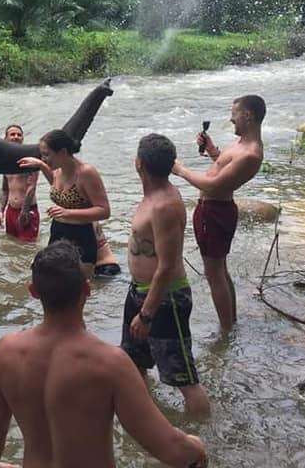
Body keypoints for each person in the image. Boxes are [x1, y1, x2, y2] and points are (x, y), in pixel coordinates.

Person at [0, 241, 208, 468]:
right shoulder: (109, 363)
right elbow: (168, 449)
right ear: (87, 290)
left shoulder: (6, 352)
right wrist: (195, 447)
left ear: (33, 292)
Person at [123, 134, 210, 417]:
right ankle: (147, 421)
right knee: (134, 362)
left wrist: (147, 314)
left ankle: (201, 436)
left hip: (164, 301)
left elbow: (167, 266)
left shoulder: (164, 205)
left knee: (184, 379)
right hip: (140, 292)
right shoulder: (152, 195)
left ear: (139, 164)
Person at [171, 95, 266, 333]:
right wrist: (213, 150)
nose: (231, 119)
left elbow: (212, 186)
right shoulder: (242, 143)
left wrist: (181, 170)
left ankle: (225, 332)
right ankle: (230, 322)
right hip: (214, 212)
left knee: (214, 274)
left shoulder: (251, 153)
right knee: (220, 270)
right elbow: (223, 166)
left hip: (215, 213)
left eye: (234, 113)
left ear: (248, 115)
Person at [17, 130, 110, 277]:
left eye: (47, 154)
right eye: (42, 155)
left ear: (63, 152)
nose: (44, 158)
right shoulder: (59, 171)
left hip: (81, 237)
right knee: (51, 281)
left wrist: (68, 213)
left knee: (77, 287)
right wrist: (41, 165)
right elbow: (59, 191)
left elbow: (104, 211)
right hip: (57, 234)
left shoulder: (86, 173)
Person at [0, 125, 41, 241]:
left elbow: (32, 186)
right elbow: (5, 189)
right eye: (12, 134)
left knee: (27, 247)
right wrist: (0, 211)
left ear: (22, 138)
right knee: (12, 246)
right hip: (11, 211)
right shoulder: (4, 161)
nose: (16, 137)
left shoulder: (31, 159)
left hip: (27, 210)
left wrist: (24, 211)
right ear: (5, 138)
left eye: (19, 135)